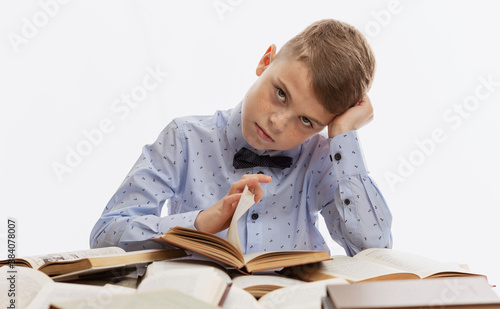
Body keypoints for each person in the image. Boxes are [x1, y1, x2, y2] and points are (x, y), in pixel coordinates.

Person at [90, 19, 392, 257]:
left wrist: (343, 136)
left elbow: (373, 250)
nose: (277, 122)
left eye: (305, 120)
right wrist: (198, 223)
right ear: (265, 61)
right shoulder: (184, 139)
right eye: (281, 93)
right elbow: (106, 236)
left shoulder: (321, 158)